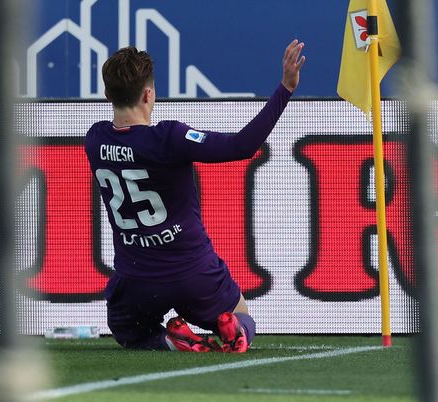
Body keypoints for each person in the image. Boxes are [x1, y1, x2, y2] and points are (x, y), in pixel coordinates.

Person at [85, 39, 306, 352]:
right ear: (148, 94)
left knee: (127, 330)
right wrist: (285, 88)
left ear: (108, 95)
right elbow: (242, 146)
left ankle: (171, 340)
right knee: (242, 314)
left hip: (137, 280)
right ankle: (235, 330)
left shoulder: (95, 140)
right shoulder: (169, 138)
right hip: (193, 273)